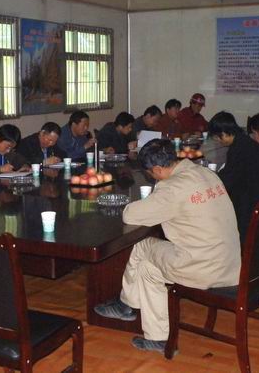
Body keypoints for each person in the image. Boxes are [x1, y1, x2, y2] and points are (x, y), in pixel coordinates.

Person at [94, 139, 240, 352]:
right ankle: (158, 338)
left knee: (143, 246)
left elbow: (130, 215)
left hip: (204, 268)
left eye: (150, 174)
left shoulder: (172, 187)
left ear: (157, 170)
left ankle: (126, 305)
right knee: (147, 269)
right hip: (231, 263)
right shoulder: (205, 173)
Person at [208, 111, 259, 243]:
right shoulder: (247, 142)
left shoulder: (238, 149)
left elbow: (227, 181)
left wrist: (209, 179)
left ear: (224, 133)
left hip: (250, 204)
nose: (218, 141)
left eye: (217, 138)